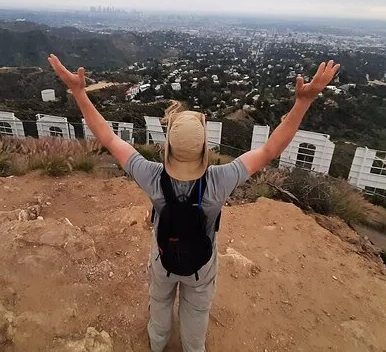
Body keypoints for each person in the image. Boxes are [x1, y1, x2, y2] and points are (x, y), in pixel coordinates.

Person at [48, 54, 340, 352]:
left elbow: (109, 138)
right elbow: (269, 150)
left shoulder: (151, 175)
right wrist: (303, 101)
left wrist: (79, 92)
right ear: (203, 150)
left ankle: (158, 342)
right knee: (197, 313)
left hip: (164, 258)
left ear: (168, 148)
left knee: (159, 301)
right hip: (201, 264)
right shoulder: (220, 179)